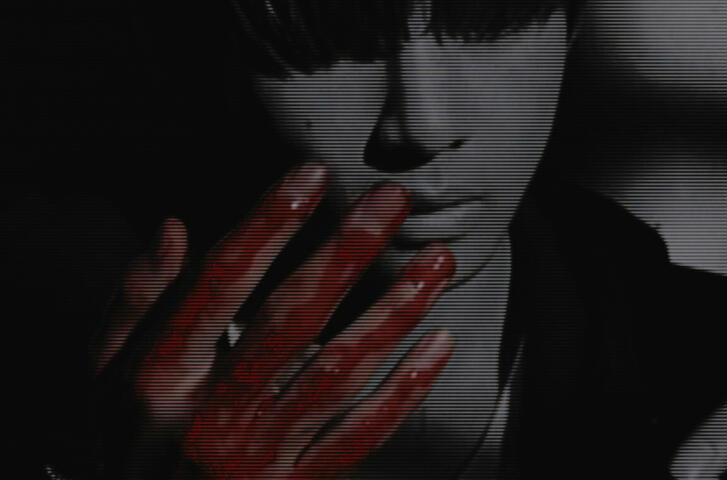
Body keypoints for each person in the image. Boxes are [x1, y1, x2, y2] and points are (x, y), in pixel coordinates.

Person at [2, 0, 724, 479]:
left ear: (571, 27)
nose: (425, 124)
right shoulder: (39, 380)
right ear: (207, 52)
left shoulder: (700, 364)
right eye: (328, 41)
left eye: (488, 22)